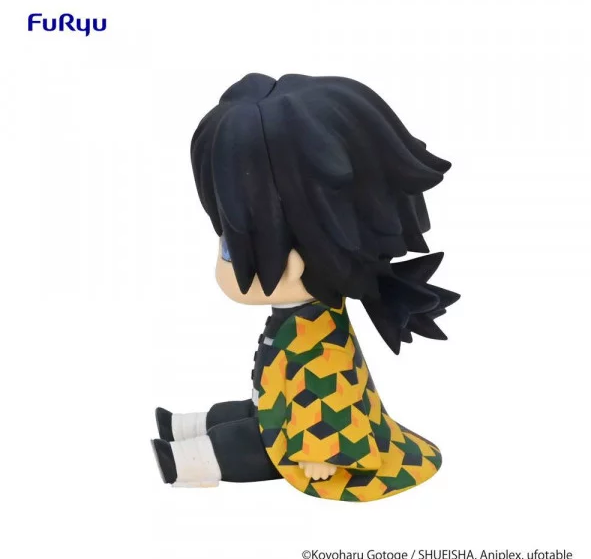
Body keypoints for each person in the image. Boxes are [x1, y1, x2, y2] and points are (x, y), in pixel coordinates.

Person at [151, 73, 459, 502]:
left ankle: (185, 460)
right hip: (281, 413)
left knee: (245, 445)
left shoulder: (321, 340)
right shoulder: (303, 324)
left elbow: (333, 392)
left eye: (235, 247)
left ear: (298, 261)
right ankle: (188, 427)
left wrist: (323, 452)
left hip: (306, 442)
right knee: (241, 417)